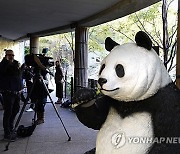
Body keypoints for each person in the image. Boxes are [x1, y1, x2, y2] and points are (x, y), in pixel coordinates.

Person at [0, 49, 22, 141]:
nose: (11, 57)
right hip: (8, 92)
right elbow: (2, 71)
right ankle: (7, 133)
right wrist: (6, 62)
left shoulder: (16, 64)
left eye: (12, 55)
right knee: (8, 112)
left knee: (16, 109)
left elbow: (18, 76)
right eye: (9, 55)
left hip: (17, 92)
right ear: (5, 55)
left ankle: (11, 126)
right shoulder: (2, 65)